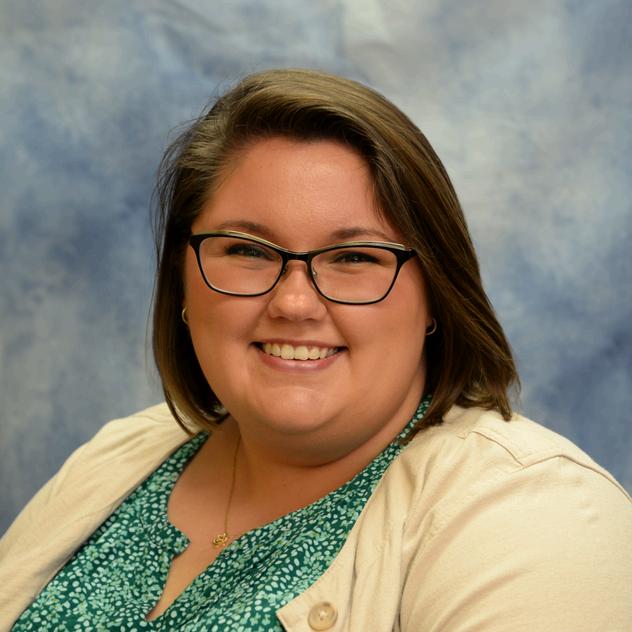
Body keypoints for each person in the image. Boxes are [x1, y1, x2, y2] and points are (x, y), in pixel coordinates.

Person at [1, 68, 630, 631]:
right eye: (247, 250)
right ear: (183, 283)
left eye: (354, 257)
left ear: (437, 296)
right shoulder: (117, 457)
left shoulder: (532, 513)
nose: (295, 303)